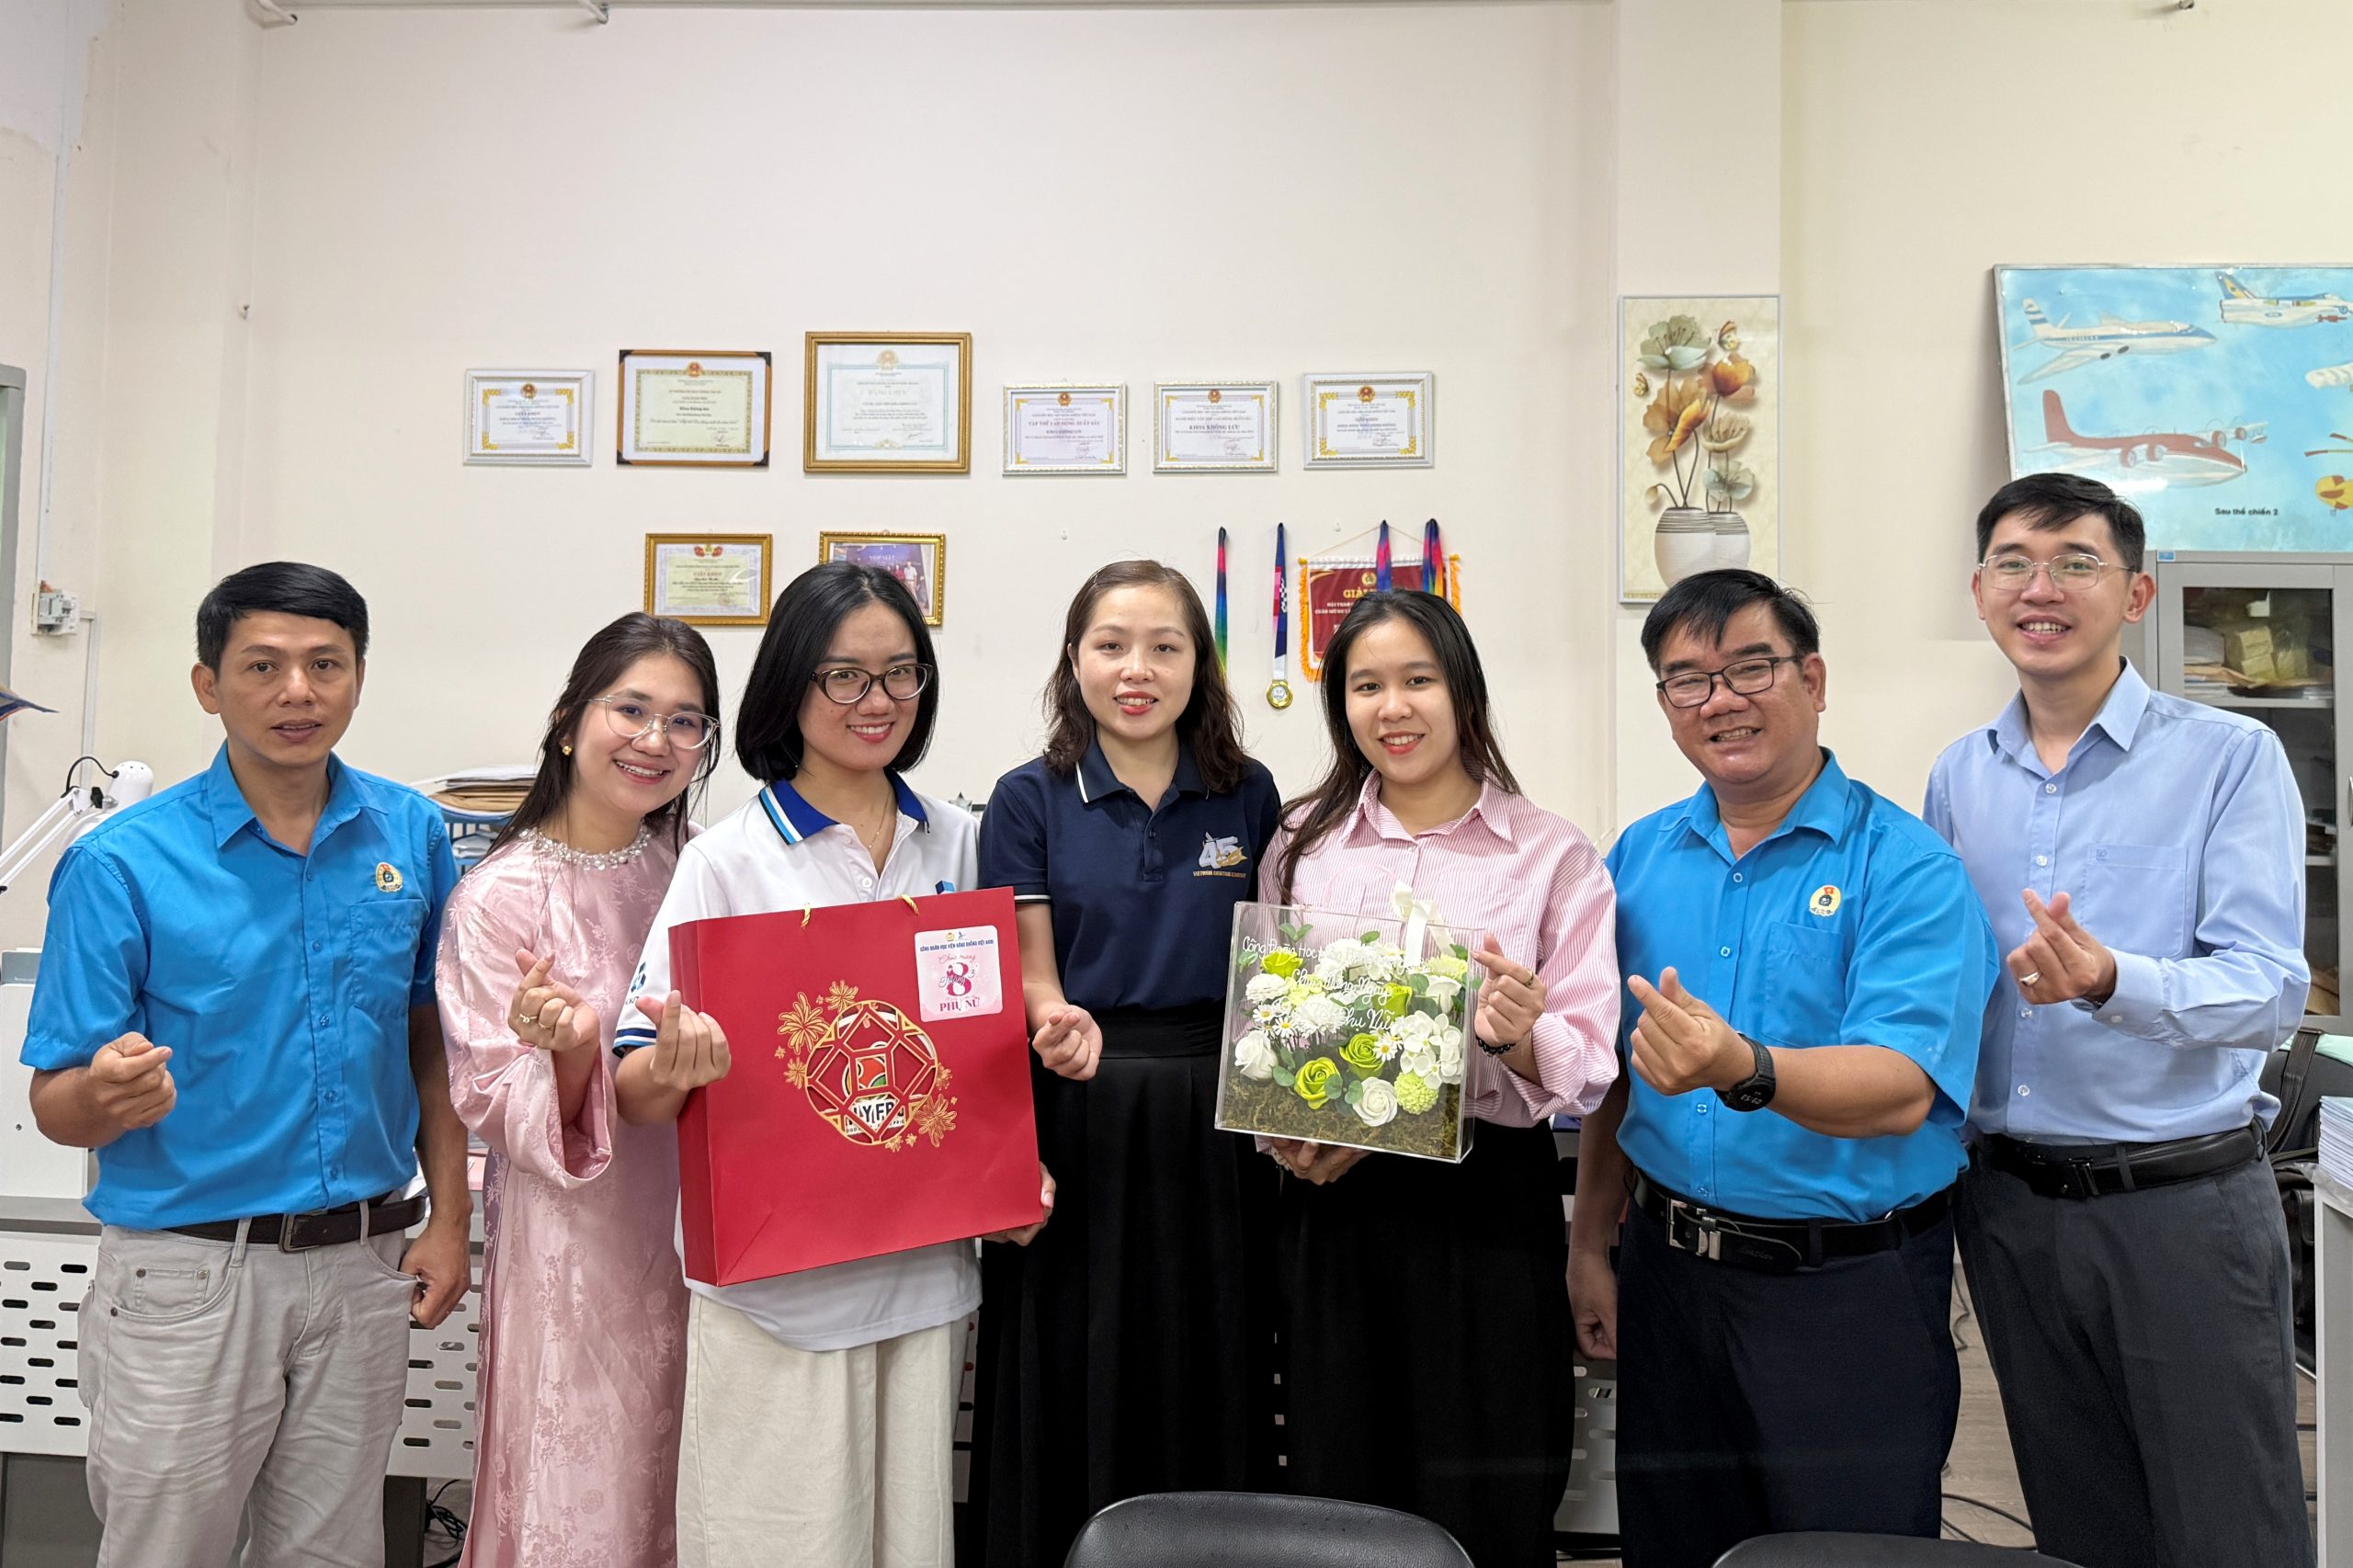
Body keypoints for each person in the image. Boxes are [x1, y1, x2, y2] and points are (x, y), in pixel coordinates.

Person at [21, 561, 471, 1568]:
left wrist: (449, 1218)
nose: (296, 691)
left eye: (325, 664)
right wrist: (106, 1093)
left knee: (333, 1551)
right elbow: (55, 1105)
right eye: (262, 666)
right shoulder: (121, 861)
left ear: (358, 678)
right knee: (167, 1550)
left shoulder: (410, 833)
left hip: (363, 1263)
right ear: (208, 685)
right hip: (189, 1274)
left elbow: (429, 1035)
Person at [613, 561, 1051, 1568]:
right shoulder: (727, 859)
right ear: (792, 684)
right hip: (779, 1296)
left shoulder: (963, 842)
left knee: (909, 1544)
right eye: (845, 675)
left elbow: (986, 1053)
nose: (877, 700)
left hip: (925, 1282)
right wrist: (679, 1063)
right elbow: (635, 1090)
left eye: (900, 673)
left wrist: (1013, 1169)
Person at [1925, 472, 2314, 1568]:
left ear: (2136, 594)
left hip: (2178, 1208)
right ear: (1979, 589)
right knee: (2079, 1526)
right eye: (2012, 563)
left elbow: (2270, 989)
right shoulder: (1958, 775)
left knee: (2228, 1530)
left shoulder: (2228, 755)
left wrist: (2111, 980)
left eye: (2075, 563)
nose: (2039, 588)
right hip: (2008, 1208)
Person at [1570, 568, 1995, 1568]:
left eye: (1750, 667)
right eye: (1688, 679)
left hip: (1844, 1293)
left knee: (1842, 1553)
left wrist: (1742, 1066)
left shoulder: (1906, 867)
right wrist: (1589, 1242)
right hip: (1668, 1275)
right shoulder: (1638, 856)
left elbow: (1901, 1088)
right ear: (1666, 704)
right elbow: (1617, 1070)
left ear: (1813, 679)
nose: (1720, 699)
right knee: (1673, 1545)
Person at [1262, 589, 1618, 1568]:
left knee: (1487, 1485)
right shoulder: (1301, 842)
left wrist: (1516, 1036)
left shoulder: (1551, 854)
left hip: (1481, 1209)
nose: (1393, 708)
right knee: (1340, 1485)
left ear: (1463, 691)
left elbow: (1588, 1063)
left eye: (1417, 679)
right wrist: (1287, 1131)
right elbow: (1272, 1024)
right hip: (1334, 1206)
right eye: (1365, 685)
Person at [964, 561, 1282, 1567]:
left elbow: (1271, 966)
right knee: (1073, 1355)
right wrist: (1053, 1020)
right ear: (1075, 661)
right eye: (1111, 645)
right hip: (1078, 1105)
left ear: (1199, 664)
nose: (1135, 669)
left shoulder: (1248, 792)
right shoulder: (1028, 798)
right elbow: (1033, 975)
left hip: (1217, 1119)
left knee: (1211, 1346)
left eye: (1163, 647)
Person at [434, 612, 723, 1567]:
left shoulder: (701, 868)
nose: (655, 739)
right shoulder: (499, 898)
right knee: (587, 1485)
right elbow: (493, 1098)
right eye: (630, 709)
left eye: (685, 721)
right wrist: (569, 1054)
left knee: (699, 1484)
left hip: (708, 1231)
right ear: (568, 723)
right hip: (578, 1253)